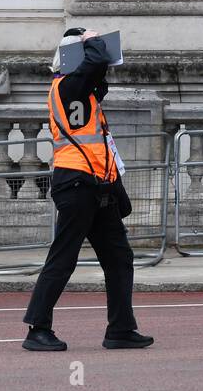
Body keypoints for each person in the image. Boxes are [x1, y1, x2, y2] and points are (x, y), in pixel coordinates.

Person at [22, 28, 153, 350]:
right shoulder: (66, 86)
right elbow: (95, 63)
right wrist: (89, 40)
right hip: (76, 183)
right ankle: (37, 329)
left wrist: (89, 46)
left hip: (97, 183)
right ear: (74, 56)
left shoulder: (82, 89)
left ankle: (120, 329)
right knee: (63, 258)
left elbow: (99, 73)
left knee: (119, 258)